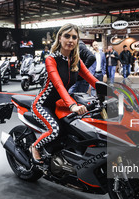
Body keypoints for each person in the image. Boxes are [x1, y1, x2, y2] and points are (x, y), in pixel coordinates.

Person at [30, 23, 98, 163]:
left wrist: (115, 93)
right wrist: (72, 105)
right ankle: (34, 147)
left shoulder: (75, 60)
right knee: (55, 130)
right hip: (42, 104)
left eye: (74, 37)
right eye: (67, 36)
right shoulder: (51, 59)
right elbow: (59, 85)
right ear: (60, 38)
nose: (71, 40)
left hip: (60, 104)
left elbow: (93, 80)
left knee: (75, 128)